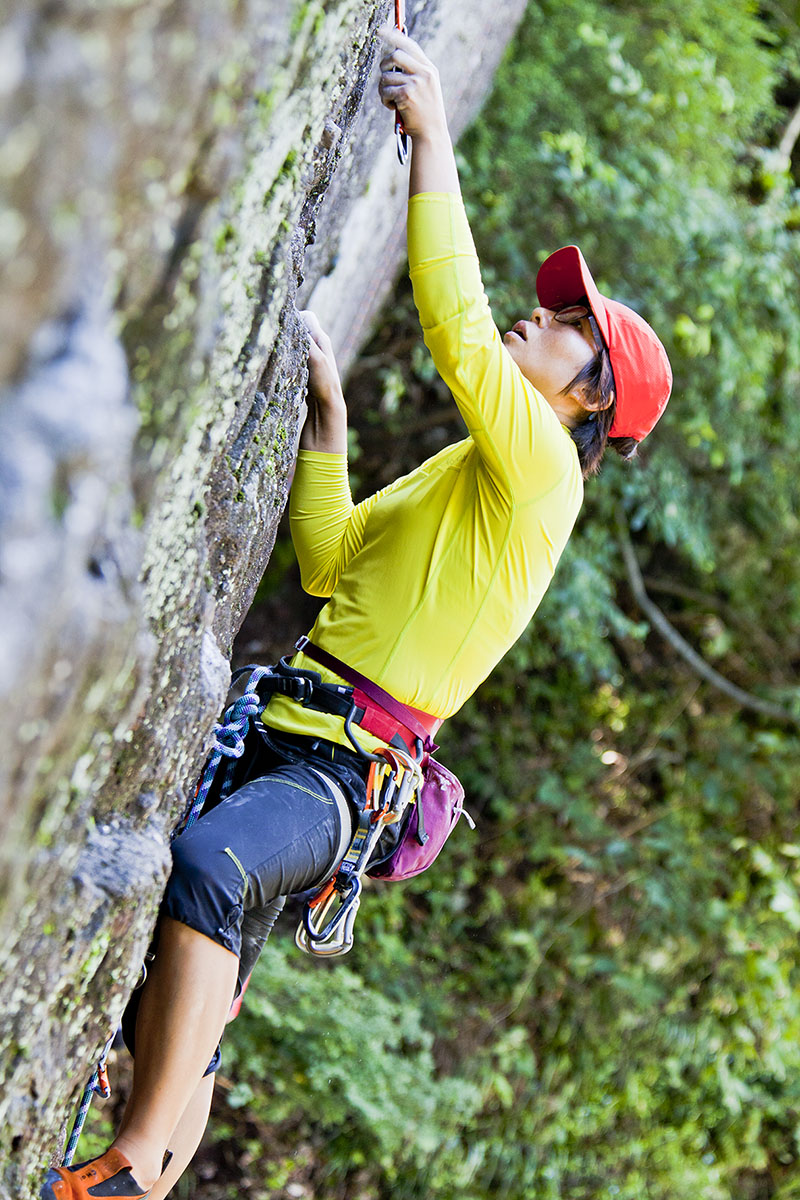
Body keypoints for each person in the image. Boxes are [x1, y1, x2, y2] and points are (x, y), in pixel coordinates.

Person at [41, 26, 672, 1200]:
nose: (538, 315)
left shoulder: (544, 474)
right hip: (298, 730)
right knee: (203, 962)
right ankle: (145, 1165)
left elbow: (457, 332)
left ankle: (127, 1171)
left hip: (343, 774)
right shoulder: (468, 474)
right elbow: (331, 565)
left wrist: (430, 141)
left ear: (589, 399)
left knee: (210, 869)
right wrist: (327, 430)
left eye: (567, 325)